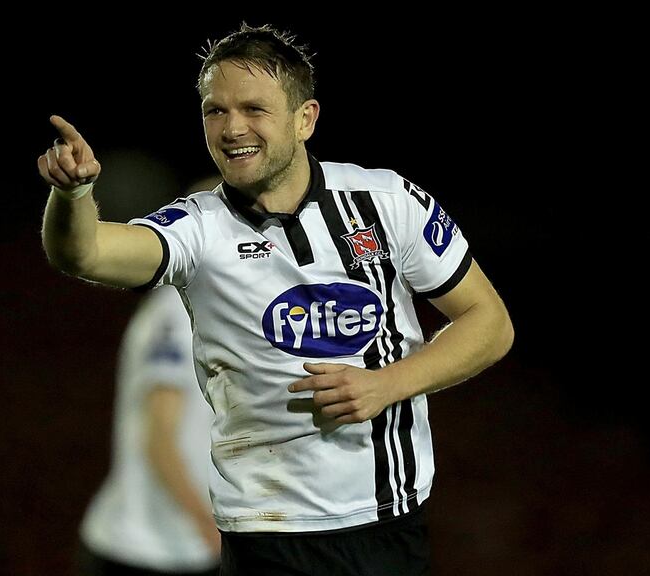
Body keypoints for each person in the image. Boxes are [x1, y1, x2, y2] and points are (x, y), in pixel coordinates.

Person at [40, 23, 514, 576]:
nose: (231, 127)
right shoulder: (198, 228)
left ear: (305, 118)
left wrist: (389, 383)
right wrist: (71, 194)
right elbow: (85, 254)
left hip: (387, 525)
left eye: (253, 109)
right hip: (265, 534)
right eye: (214, 111)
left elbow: (491, 323)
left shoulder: (388, 202)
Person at [78, 285, 220, 576]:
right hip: (141, 549)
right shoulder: (177, 311)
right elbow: (159, 440)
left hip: (183, 546)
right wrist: (210, 526)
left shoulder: (200, 305)